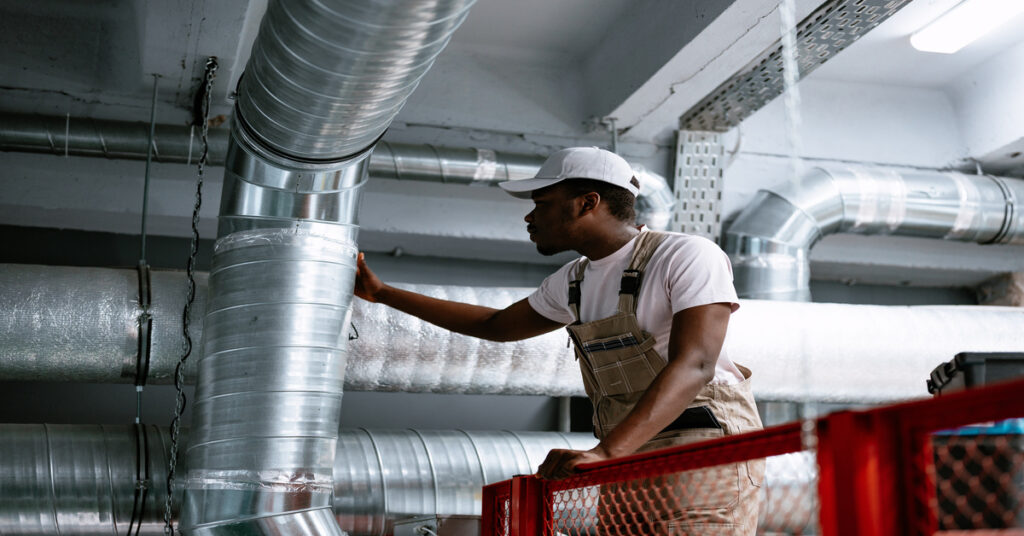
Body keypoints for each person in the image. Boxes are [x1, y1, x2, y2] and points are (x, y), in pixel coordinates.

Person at [353, 146, 763, 534]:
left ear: (588, 202)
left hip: (699, 445)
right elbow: (496, 324)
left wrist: (606, 453)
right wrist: (383, 294)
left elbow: (695, 364)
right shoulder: (573, 281)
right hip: (626, 451)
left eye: (542, 204)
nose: (530, 217)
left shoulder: (685, 255)